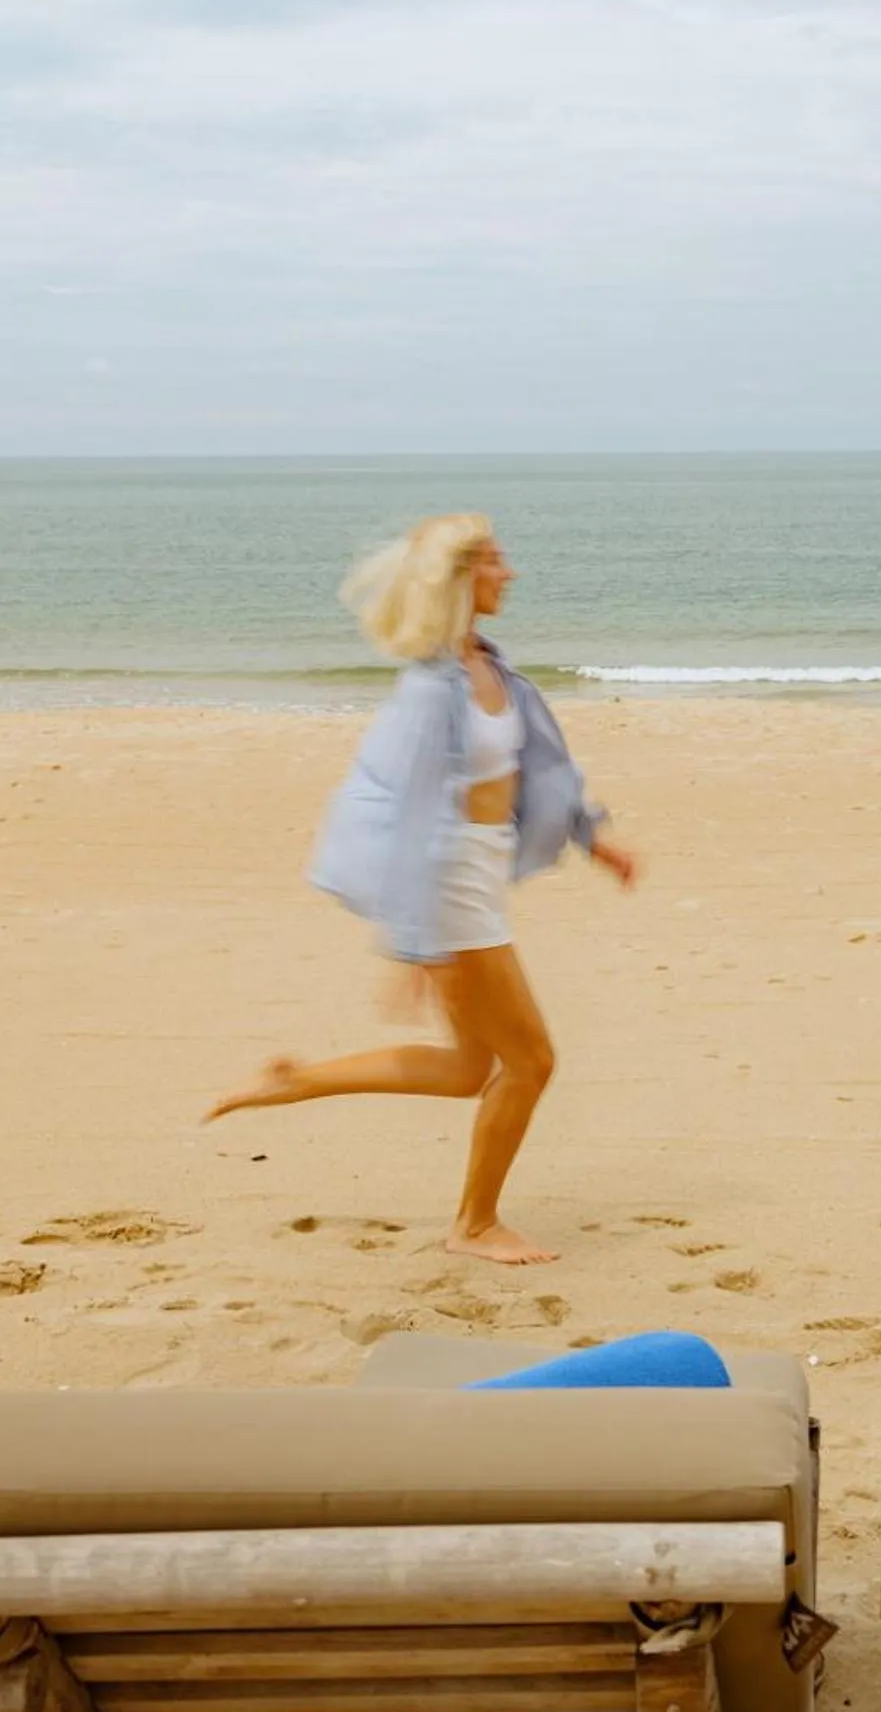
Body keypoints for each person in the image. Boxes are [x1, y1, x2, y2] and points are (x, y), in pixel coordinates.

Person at [207, 513, 636, 1264]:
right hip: (442, 887)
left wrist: (593, 838)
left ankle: (295, 1080)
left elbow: (539, 769)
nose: (512, 573)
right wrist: (411, 943)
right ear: (463, 577)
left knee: (473, 1067)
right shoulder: (429, 690)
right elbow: (410, 812)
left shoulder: (493, 670)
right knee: (531, 1062)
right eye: (498, 561)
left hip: (472, 872)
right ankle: (474, 1224)